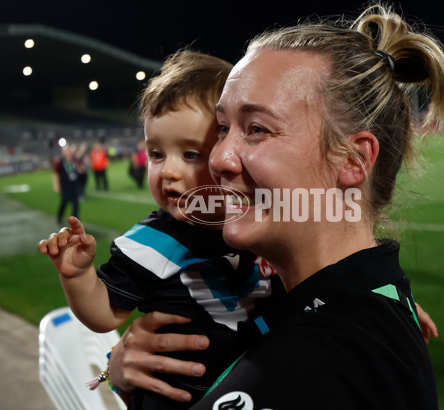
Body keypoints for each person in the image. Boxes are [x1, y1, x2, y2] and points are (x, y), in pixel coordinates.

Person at [108, 3, 444, 409]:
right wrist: (125, 376)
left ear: (353, 160)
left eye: (256, 129)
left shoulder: (317, 359)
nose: (218, 158)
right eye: (222, 128)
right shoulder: (355, 300)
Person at [37, 50, 279, 409]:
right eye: (156, 154)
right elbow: (105, 315)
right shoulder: (152, 241)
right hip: (173, 397)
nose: (167, 171)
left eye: (191, 154)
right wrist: (77, 276)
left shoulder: (264, 223)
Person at [52, 143, 83, 224]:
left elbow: (80, 170)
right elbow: (55, 174)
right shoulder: (60, 162)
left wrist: (81, 170)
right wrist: (56, 184)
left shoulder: (76, 161)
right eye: (65, 151)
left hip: (74, 185)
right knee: (64, 202)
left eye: (68, 151)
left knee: (76, 204)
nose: (68, 153)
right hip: (65, 186)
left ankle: (75, 222)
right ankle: (59, 217)